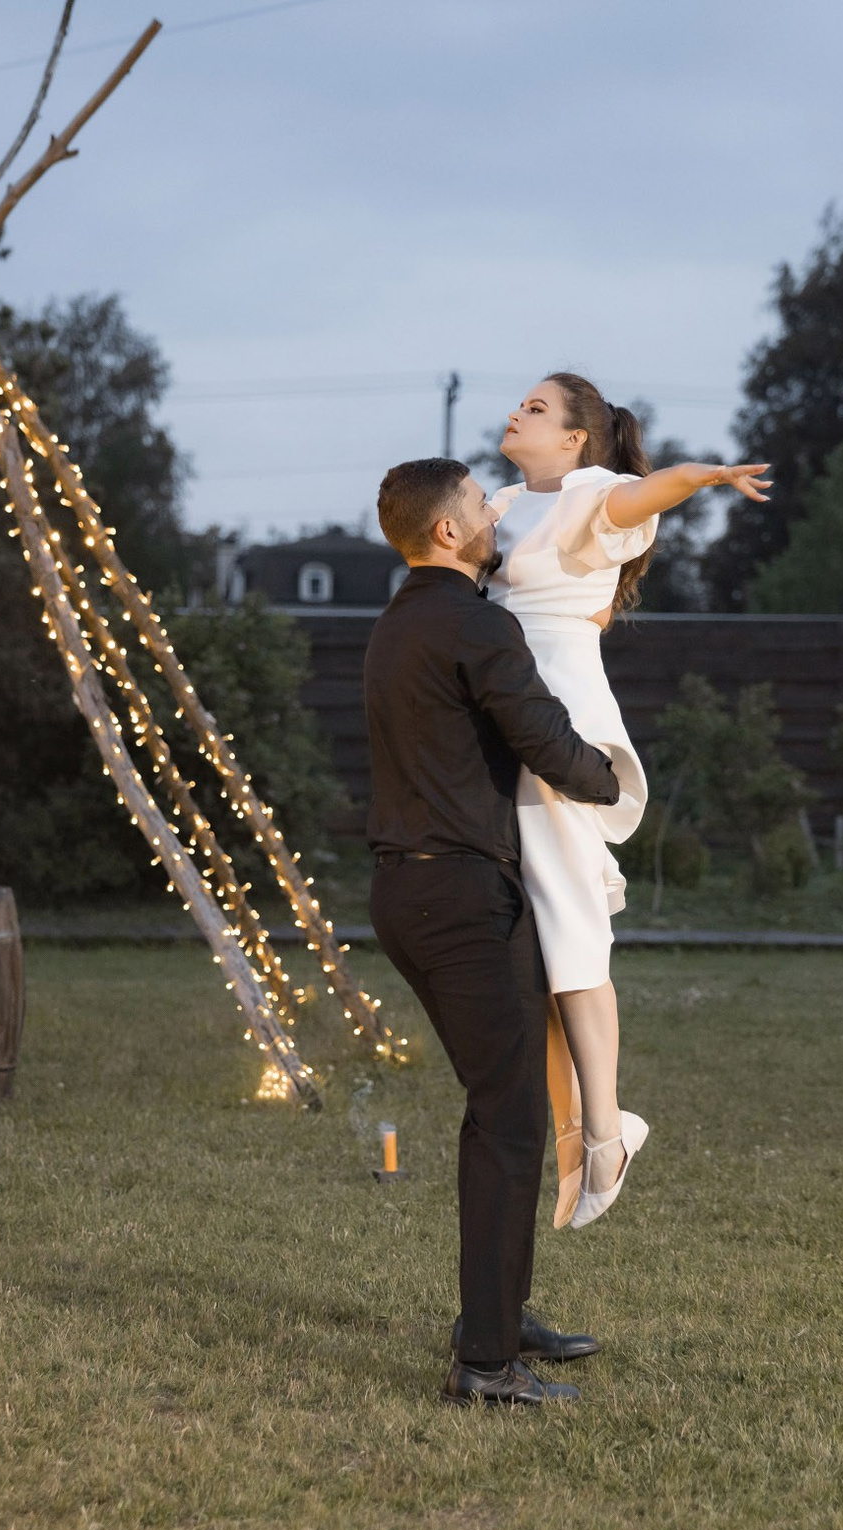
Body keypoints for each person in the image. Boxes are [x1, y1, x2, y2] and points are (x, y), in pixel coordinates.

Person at [363, 457, 620, 1407]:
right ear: (446, 532)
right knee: (509, 1117)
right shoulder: (476, 623)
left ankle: (503, 1319)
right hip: (461, 898)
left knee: (500, 1105)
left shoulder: (397, 622)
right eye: (478, 502)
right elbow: (543, 738)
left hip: (415, 892)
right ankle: (483, 1364)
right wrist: (615, 781)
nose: (491, 510)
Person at [487, 373, 771, 1227]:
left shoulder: (590, 493)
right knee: (534, 958)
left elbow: (650, 492)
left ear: (577, 438)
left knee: (573, 926)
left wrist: (706, 477)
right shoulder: (500, 501)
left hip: (558, 727)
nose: (516, 411)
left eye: (535, 407)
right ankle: (575, 1138)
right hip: (499, 726)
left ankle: (607, 1129)